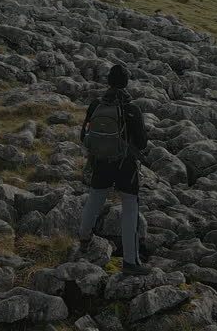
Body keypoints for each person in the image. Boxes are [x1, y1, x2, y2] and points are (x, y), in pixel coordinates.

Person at [77, 63, 150, 274]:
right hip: (125, 165)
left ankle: (84, 238)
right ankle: (130, 262)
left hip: (100, 162)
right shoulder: (132, 110)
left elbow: (85, 136)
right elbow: (142, 143)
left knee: (95, 199)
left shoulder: (95, 105)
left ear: (108, 81)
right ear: (126, 83)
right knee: (130, 208)